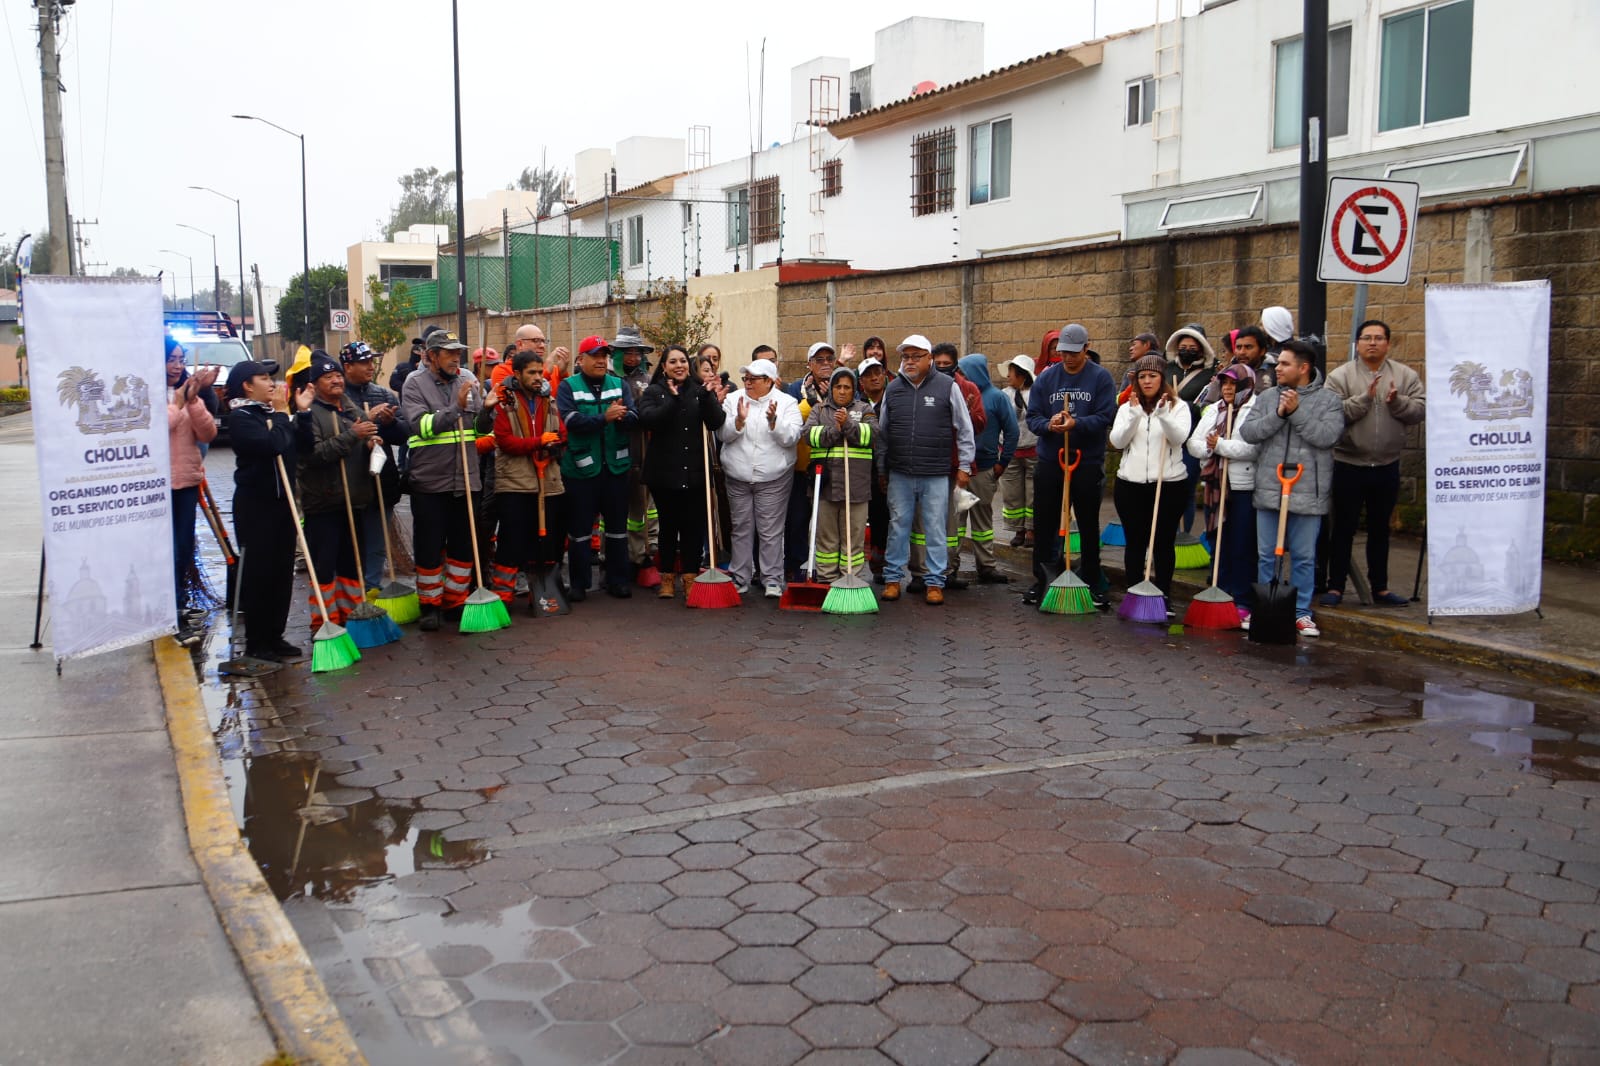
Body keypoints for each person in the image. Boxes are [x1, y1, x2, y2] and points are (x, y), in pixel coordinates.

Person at [1237, 339, 1345, 638]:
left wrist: (1297, 412)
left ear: (1304, 368)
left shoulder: (1329, 401)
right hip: (1270, 487)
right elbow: (1249, 432)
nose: (1277, 369)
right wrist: (1280, 414)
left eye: (1284, 364)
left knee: (1304, 556)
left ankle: (1300, 612)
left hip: (1308, 490)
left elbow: (1327, 436)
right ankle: (1266, 607)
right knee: (1266, 555)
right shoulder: (1268, 396)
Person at [1323, 319, 1426, 608]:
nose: (1372, 343)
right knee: (1343, 528)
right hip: (1348, 463)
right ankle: (1336, 587)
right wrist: (1365, 399)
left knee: (1381, 529)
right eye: (1366, 337)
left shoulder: (1404, 375)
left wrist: (1396, 403)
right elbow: (1333, 413)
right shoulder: (1340, 376)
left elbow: (1420, 410)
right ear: (1357, 343)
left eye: (1379, 338)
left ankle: (1380, 587)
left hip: (1387, 464)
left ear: (1388, 344)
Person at [400, 329, 491, 631]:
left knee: (464, 546)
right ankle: (429, 605)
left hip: (467, 480)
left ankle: (455, 601)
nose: (456, 358)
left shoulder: (467, 378)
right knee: (429, 545)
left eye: (459, 352)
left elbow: (478, 428)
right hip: (430, 481)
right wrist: (456, 408)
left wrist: (488, 410)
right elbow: (420, 426)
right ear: (431, 356)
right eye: (449, 353)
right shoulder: (414, 384)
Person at [878, 335, 975, 606]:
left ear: (929, 358)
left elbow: (964, 429)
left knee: (935, 529)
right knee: (898, 526)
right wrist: (882, 468)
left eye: (916, 356)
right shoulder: (894, 389)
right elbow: (884, 433)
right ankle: (893, 579)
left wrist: (965, 466)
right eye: (906, 357)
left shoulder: (947, 386)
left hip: (935, 472)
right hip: (900, 472)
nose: (910, 361)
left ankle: (935, 582)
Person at [1025, 323, 1116, 607]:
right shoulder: (1047, 379)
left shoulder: (1100, 378)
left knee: (1088, 523)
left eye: (1074, 353)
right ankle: (1042, 580)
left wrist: (1078, 423)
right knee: (1045, 522)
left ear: (1086, 349)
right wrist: (1049, 425)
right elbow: (1033, 418)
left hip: (1086, 460)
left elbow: (1105, 416)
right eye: (1063, 352)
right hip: (1052, 460)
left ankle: (1091, 580)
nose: (1068, 358)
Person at [225, 359, 305, 661]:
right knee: (260, 572)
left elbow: (295, 446)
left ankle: (276, 635)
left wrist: (300, 415)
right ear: (247, 385)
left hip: (282, 502)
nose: (271, 383)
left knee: (281, 571)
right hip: (256, 505)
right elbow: (271, 444)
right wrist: (285, 416)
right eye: (263, 378)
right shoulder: (242, 417)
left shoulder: (273, 414)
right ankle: (257, 641)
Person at [295, 352, 380, 633]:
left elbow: (362, 436)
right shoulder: (310, 416)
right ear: (315, 384)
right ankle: (324, 623)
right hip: (324, 503)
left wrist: (370, 443)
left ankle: (352, 616)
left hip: (353, 500)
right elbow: (313, 456)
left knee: (351, 564)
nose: (335, 380)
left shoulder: (351, 408)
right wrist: (351, 436)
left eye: (337, 376)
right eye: (327, 377)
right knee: (325, 566)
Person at [636, 345, 728, 599]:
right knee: (668, 526)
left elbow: (716, 422)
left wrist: (710, 397)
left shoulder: (699, 391)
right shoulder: (654, 392)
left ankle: (689, 577)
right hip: (664, 473)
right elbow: (648, 420)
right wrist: (673, 400)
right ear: (663, 366)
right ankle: (667, 577)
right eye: (673, 362)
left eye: (683, 361)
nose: (679, 366)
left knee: (692, 527)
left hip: (696, 472)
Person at [558, 336, 639, 600]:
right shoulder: (568, 386)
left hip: (616, 467)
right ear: (581, 360)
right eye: (595, 355)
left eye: (605, 355)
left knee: (617, 529)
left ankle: (617, 580)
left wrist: (625, 416)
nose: (602, 360)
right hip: (581, 470)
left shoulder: (619, 384)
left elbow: (635, 416)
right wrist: (605, 417)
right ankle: (579, 585)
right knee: (580, 531)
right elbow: (571, 420)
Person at [1110, 354, 1193, 607]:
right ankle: (1135, 593)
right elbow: (1117, 441)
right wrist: (1134, 416)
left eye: (1152, 376)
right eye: (1142, 377)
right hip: (1130, 484)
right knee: (1134, 542)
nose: (1147, 381)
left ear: (1162, 379)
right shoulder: (1126, 408)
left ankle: (1163, 595)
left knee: (1163, 543)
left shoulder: (1179, 407)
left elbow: (1179, 438)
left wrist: (1164, 415)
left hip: (1168, 484)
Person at [490, 348, 567, 607]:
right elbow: (505, 441)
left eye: (540, 372)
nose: (537, 377)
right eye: (531, 372)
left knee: (545, 539)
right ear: (517, 374)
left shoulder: (549, 400)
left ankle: (542, 594)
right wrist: (538, 443)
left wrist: (553, 445)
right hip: (514, 481)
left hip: (548, 481)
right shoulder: (504, 400)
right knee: (511, 539)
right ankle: (503, 594)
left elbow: (562, 433)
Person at [718, 358, 801, 596]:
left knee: (770, 530)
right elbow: (722, 434)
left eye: (753, 379)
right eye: (745, 378)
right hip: (737, 475)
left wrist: (775, 422)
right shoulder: (733, 400)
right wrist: (738, 421)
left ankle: (772, 578)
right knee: (741, 528)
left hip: (773, 477)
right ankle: (740, 576)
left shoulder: (786, 402)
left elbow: (792, 437)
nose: (747, 383)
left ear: (769, 381)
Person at [1189, 363, 1259, 618]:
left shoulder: (1255, 408)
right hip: (1215, 484)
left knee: (1242, 543)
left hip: (1242, 485)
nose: (1228, 388)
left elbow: (1252, 448)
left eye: (1234, 384)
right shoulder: (1213, 409)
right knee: (1220, 540)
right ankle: (1222, 590)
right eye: (1225, 383)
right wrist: (1209, 448)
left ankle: (1242, 599)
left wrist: (1220, 445)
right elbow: (1194, 442)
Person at [802, 366, 877, 582]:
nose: (842, 391)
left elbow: (871, 435)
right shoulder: (819, 410)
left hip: (856, 488)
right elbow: (808, 435)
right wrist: (836, 429)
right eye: (838, 386)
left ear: (854, 389)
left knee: (853, 539)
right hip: (825, 487)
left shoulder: (865, 410)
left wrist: (848, 425)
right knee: (826, 540)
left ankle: (851, 580)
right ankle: (827, 581)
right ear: (831, 388)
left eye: (847, 387)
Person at [340, 341, 405, 588]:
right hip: (350, 483)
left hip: (381, 481)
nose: (371, 366)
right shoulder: (338, 397)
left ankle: (372, 590)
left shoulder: (383, 394)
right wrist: (366, 420)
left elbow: (403, 434)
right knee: (352, 544)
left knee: (377, 543)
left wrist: (389, 424)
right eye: (364, 362)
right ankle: (350, 594)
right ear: (348, 367)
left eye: (371, 361)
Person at [166, 341, 218, 645]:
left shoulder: (187, 395)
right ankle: (169, 612)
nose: (176, 365)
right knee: (168, 551)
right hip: (156, 487)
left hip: (185, 482)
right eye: (170, 359)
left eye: (180, 359)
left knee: (184, 547)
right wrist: (179, 401)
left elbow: (208, 434)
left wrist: (195, 399)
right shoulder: (144, 391)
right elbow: (163, 425)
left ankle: (180, 603)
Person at [957, 353, 1018, 583]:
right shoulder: (958, 394)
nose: (960, 376)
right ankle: (950, 567)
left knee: (982, 522)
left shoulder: (996, 398)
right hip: (961, 471)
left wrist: (1003, 463)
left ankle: (987, 566)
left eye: (964, 372)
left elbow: (1012, 431)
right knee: (956, 522)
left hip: (984, 470)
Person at [785, 342, 838, 579]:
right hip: (800, 467)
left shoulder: (843, 386)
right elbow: (793, 421)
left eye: (829, 359)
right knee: (797, 521)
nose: (825, 364)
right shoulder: (795, 389)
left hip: (831, 467)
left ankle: (826, 571)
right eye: (819, 359)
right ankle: (794, 568)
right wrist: (812, 401)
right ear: (809, 364)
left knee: (826, 524)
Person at [611, 326, 657, 580]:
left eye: (637, 352)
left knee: (641, 507)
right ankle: (611, 556)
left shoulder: (647, 380)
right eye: (627, 352)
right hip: (616, 448)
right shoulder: (609, 377)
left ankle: (640, 554)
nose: (633, 357)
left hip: (643, 450)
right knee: (615, 509)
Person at [1164, 326, 1217, 536]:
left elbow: (1209, 407)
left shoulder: (1210, 375)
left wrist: (1184, 406)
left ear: (1201, 349)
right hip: (1167, 438)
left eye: (1192, 347)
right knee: (1167, 489)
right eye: (1183, 347)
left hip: (1191, 438)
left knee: (1185, 489)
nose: (1187, 350)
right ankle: (1168, 534)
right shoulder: (1166, 370)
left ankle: (1184, 536)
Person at [857, 356, 892, 576]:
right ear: (861, 381)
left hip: (886, 470)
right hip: (861, 471)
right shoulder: (858, 406)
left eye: (878, 373)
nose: (874, 378)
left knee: (884, 518)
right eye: (869, 375)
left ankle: (881, 563)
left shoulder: (893, 402)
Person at [999, 354, 1037, 548]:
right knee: (1012, 493)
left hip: (1033, 449)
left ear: (1022, 375)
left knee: (1033, 492)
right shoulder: (1004, 395)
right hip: (1010, 452)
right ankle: (1018, 529)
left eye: (1012, 373)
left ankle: (1032, 528)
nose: (1008, 376)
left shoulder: (1037, 394)